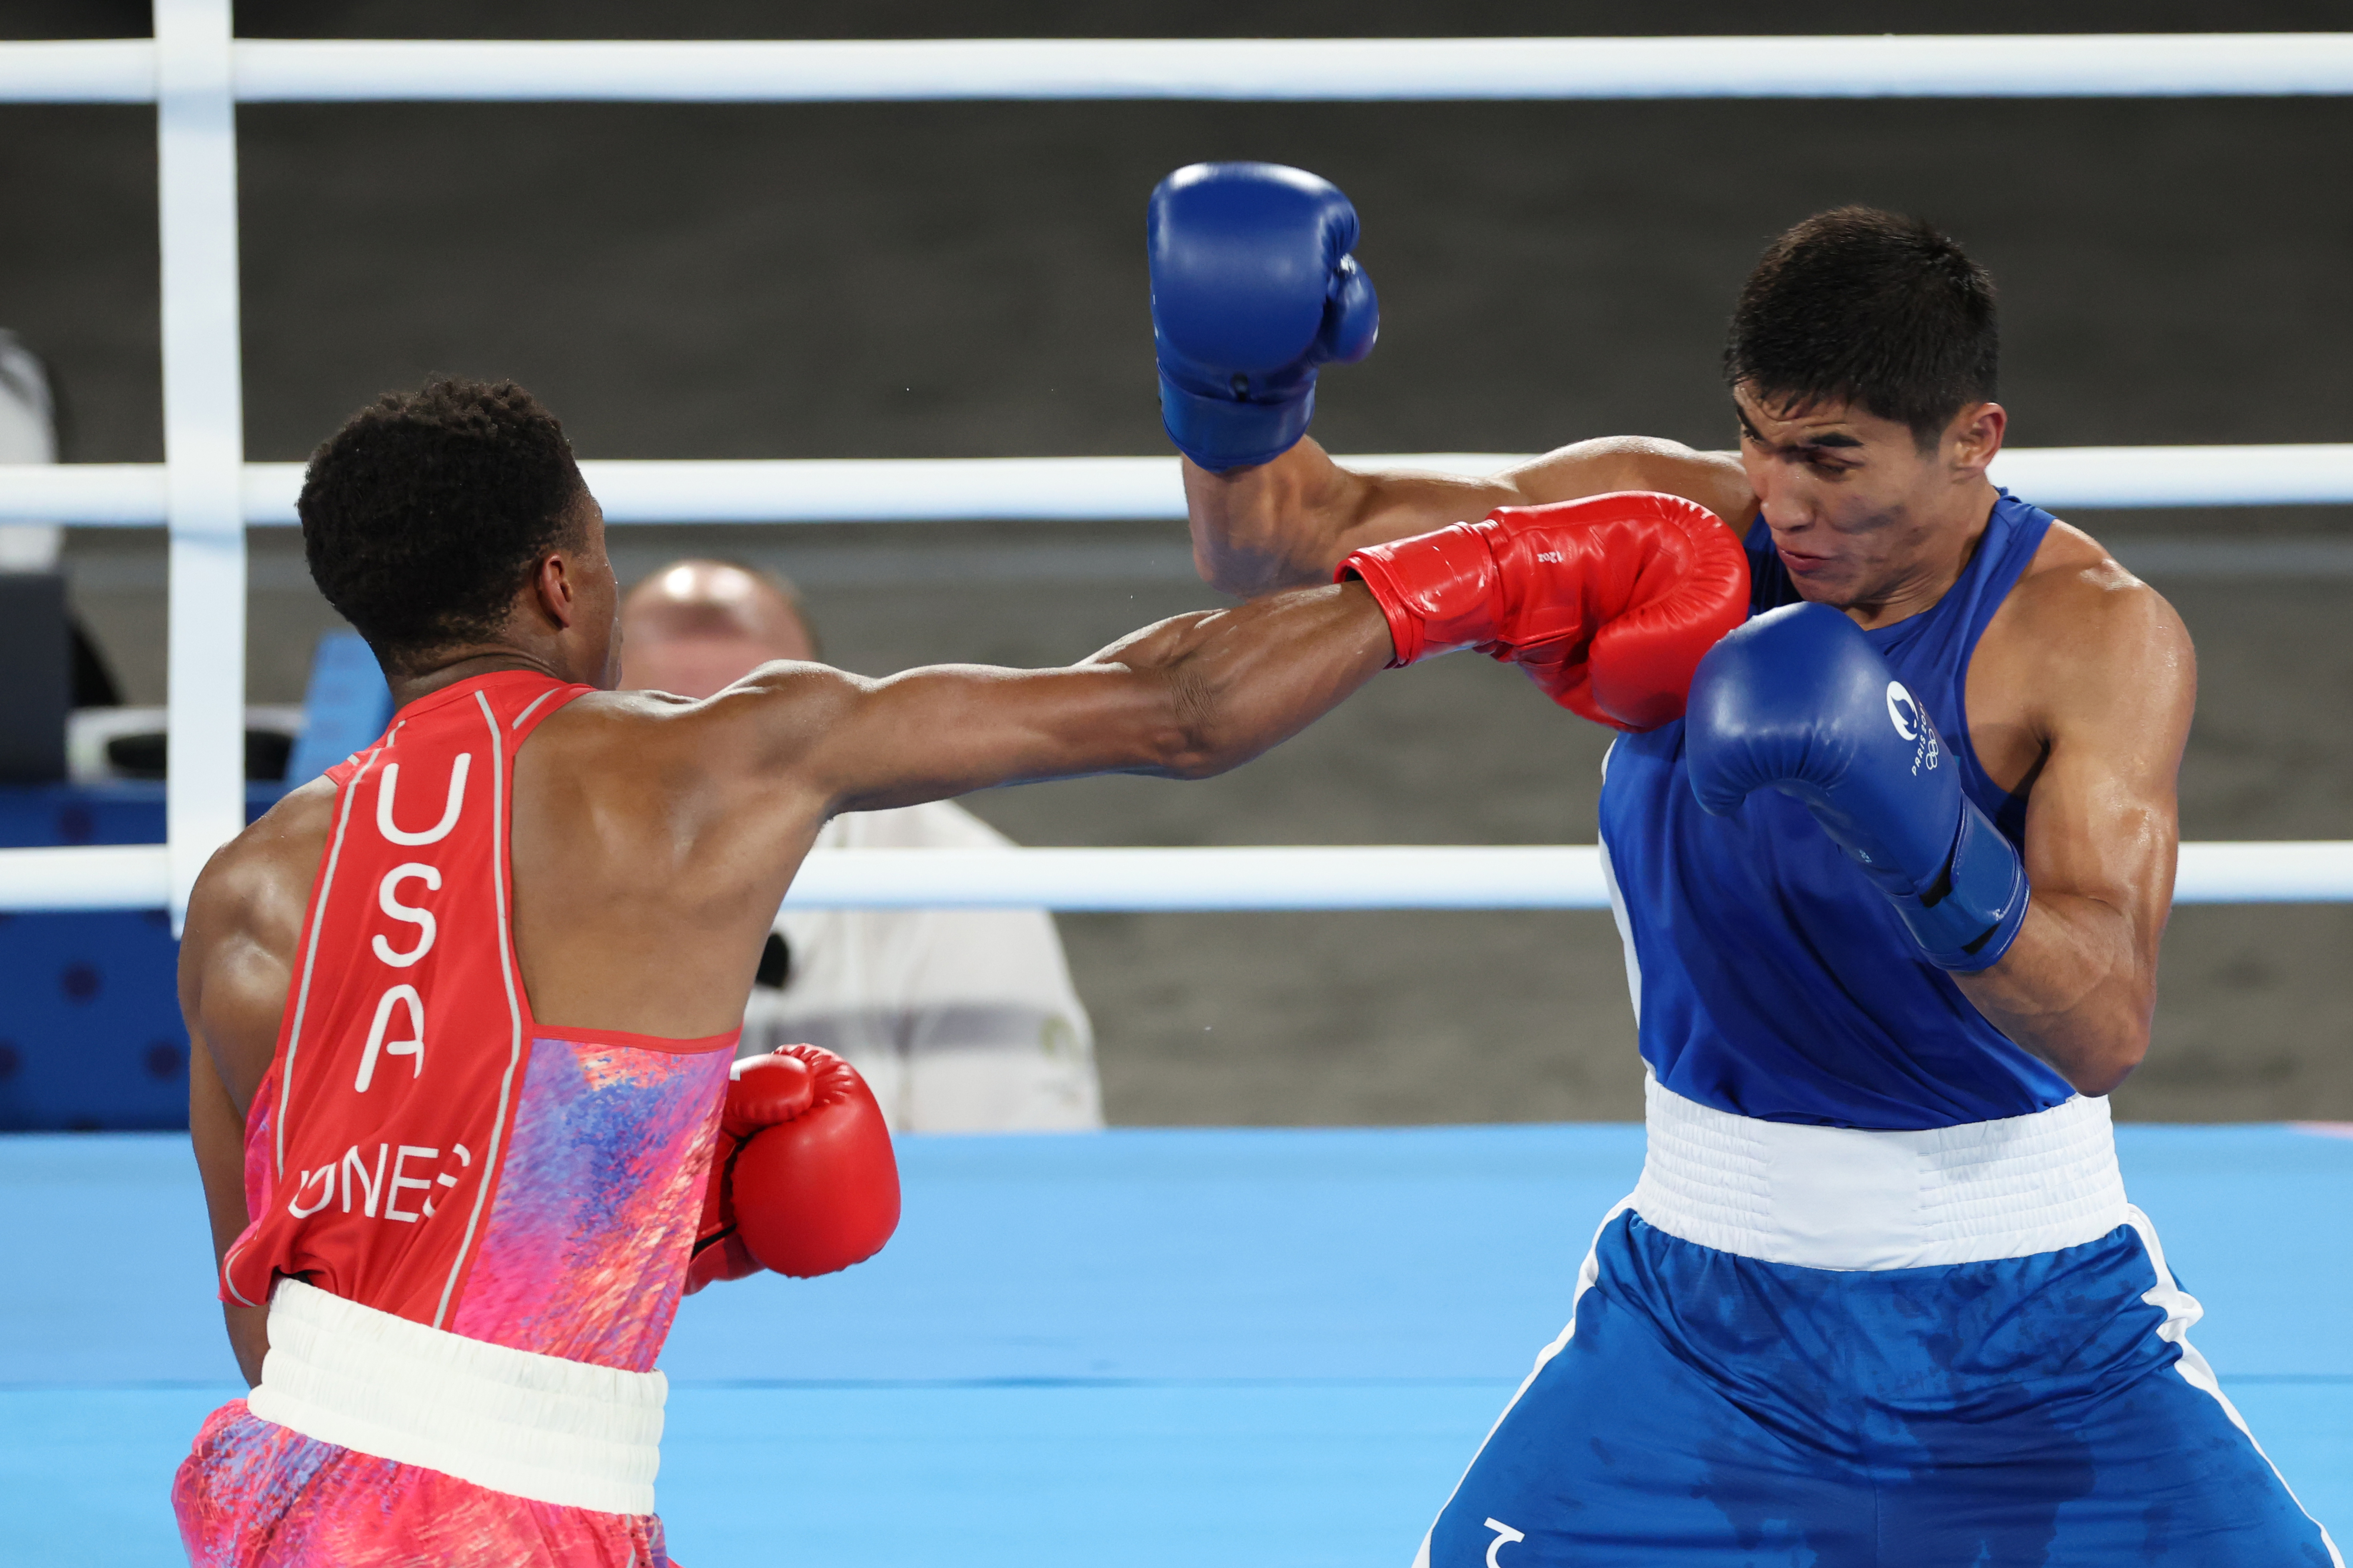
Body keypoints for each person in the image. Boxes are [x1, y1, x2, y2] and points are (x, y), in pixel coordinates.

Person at [170, 376, 1745, 1564]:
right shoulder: (703, 762)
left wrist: (616, 1212)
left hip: (275, 1495)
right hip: (508, 1525)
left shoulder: (242, 892)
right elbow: (1173, 708)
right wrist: (1489, 571)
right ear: (566, 584)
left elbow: (283, 1324)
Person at [1151, 165, 2341, 1564]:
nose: (1780, 502)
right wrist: (1233, 387)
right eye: (1756, 443)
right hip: (1700, 1319)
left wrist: (1921, 831)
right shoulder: (1671, 527)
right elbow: (1276, 541)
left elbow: (2102, 1022)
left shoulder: (2091, 636)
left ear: (1973, 439)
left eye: (1831, 460)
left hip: (2041, 1328)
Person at [618, 558, 1102, 1132]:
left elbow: (1015, 1179)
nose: (712, 771)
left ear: (824, 723)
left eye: (751, 733)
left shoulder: (960, 882)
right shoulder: (517, 870)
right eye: (663, 731)